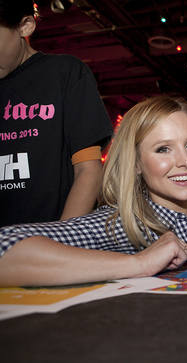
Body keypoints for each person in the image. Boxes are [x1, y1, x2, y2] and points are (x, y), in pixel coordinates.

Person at [0, 96, 187, 286]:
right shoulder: (117, 226)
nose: (185, 161)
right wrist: (138, 263)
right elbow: (5, 246)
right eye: (164, 149)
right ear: (136, 164)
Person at [0, 0, 113, 227]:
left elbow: (88, 170)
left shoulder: (64, 73)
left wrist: (58, 243)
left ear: (25, 26)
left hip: (50, 241)